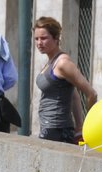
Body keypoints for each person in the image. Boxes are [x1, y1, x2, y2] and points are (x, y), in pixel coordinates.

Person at [32, 16, 95, 144]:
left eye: (44, 38)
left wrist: (87, 127)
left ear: (56, 38)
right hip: (48, 128)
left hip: (58, 130)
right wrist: (78, 125)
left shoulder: (63, 63)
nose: (39, 43)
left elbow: (91, 94)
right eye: (36, 39)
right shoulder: (51, 61)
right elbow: (74, 95)